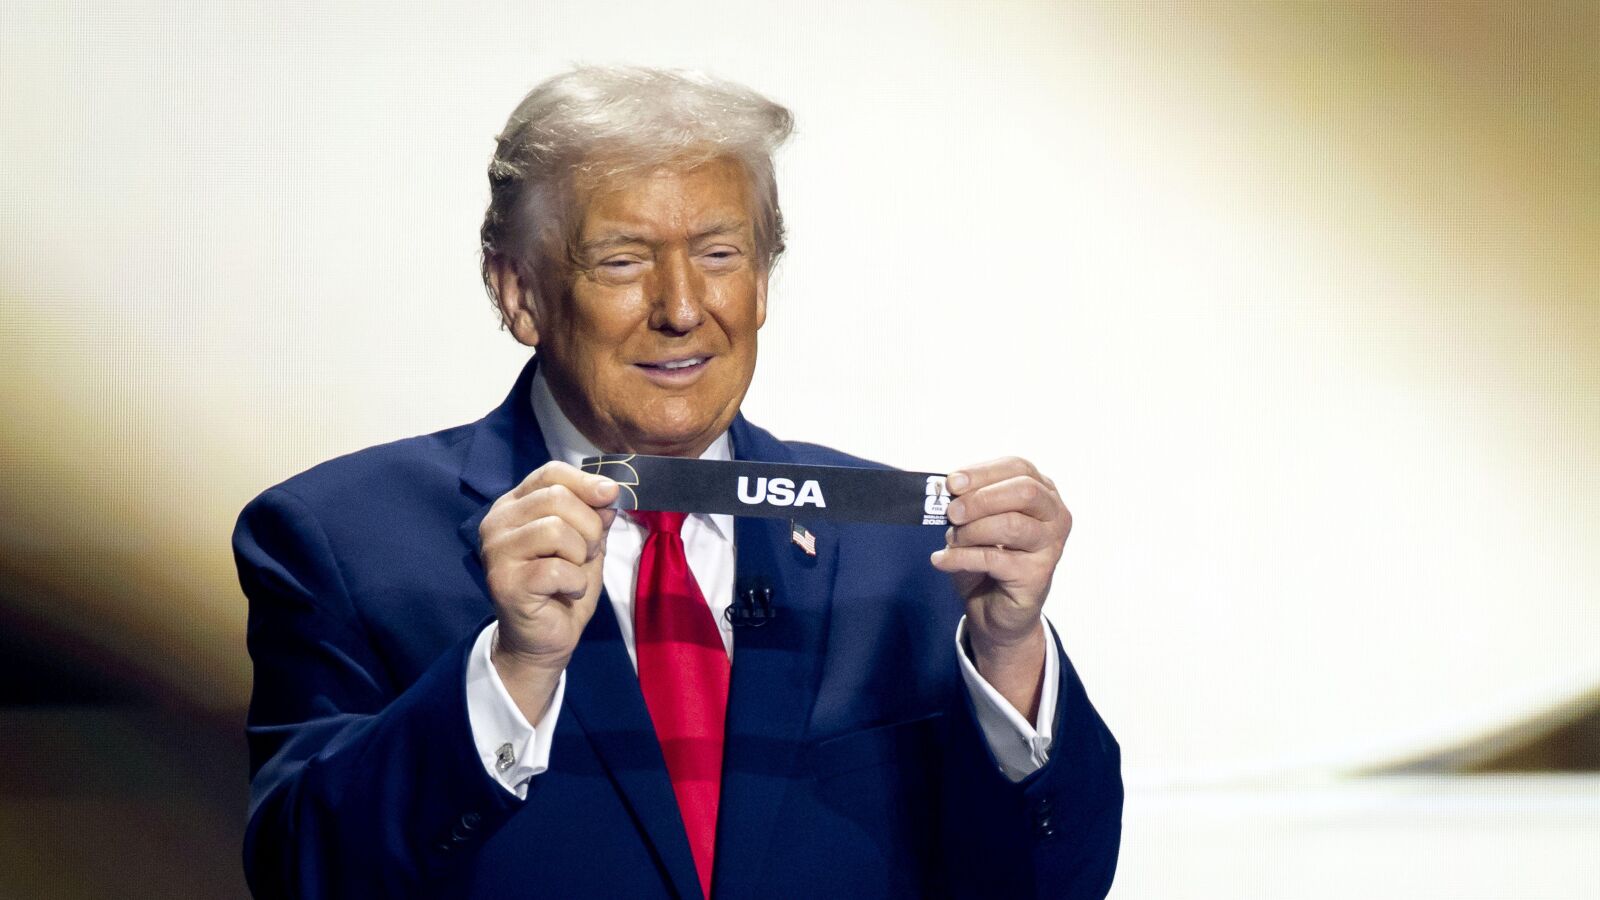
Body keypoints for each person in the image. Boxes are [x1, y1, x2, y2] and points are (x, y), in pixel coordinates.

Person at [235, 66, 1121, 899]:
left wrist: (1011, 655)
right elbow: (303, 874)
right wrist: (513, 672)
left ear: (763, 283)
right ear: (518, 292)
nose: (683, 308)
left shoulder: (902, 555)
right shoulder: (339, 541)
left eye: (720, 254)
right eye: (622, 260)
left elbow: (1052, 884)